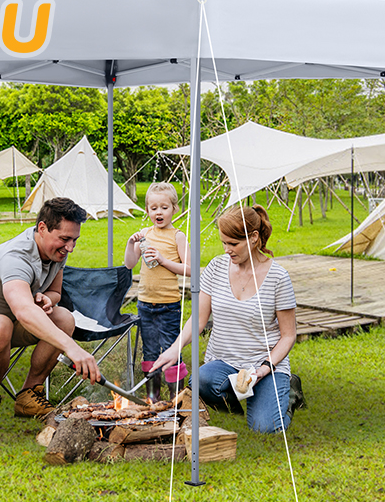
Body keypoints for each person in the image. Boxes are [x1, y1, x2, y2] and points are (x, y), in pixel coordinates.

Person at [0, 197, 100, 432]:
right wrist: (72, 348)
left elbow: (54, 291)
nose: (70, 247)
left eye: (75, 239)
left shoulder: (55, 252)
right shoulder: (16, 257)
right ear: (42, 228)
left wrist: (48, 298)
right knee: (0, 324)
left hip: (7, 322)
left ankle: (28, 397)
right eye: (64, 239)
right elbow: (24, 311)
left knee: (64, 317)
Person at [151, 205, 304, 433]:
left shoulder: (278, 277)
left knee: (265, 428)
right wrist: (175, 348)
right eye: (224, 243)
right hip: (225, 364)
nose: (227, 250)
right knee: (200, 381)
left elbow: (288, 335)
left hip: (264, 366)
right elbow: (199, 319)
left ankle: (289, 393)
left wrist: (263, 369)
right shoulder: (216, 267)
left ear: (253, 238)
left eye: (233, 244)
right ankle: (243, 398)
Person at [123, 182, 190, 401]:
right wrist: (129, 245)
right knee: (149, 351)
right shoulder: (144, 234)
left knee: (171, 350)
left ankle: (177, 397)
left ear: (174, 209)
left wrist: (162, 260)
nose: (158, 212)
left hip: (168, 304)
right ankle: (153, 397)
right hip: (145, 303)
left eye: (164, 207)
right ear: (147, 211)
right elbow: (130, 263)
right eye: (153, 208)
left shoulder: (177, 236)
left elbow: (190, 269)